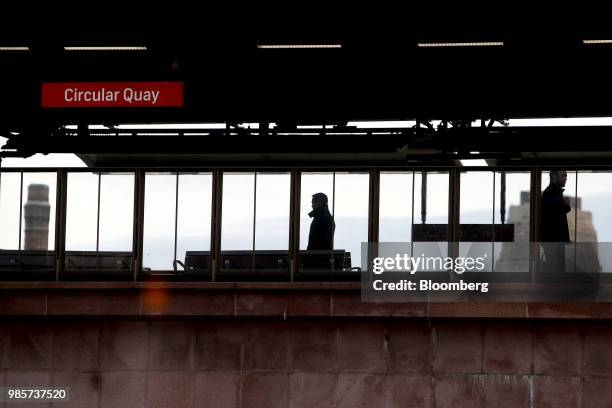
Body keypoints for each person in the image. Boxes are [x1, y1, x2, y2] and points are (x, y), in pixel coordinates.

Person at [540, 170, 571, 273]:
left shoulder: (552, 192)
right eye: (563, 176)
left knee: (557, 268)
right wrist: (566, 205)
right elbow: (554, 213)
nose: (566, 178)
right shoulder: (551, 192)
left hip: (553, 238)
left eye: (566, 176)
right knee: (557, 269)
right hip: (553, 239)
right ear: (554, 177)